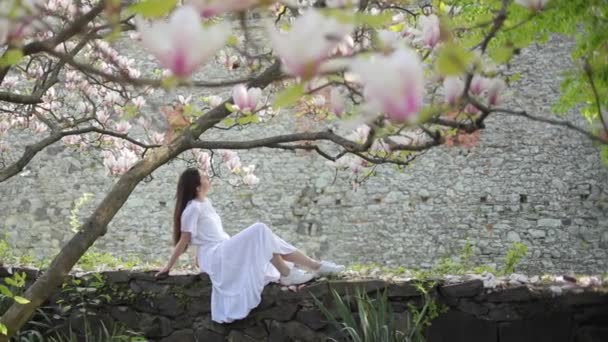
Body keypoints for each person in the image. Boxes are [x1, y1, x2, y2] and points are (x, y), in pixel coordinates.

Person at [155, 167, 345, 323]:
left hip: (224, 248)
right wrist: (167, 267)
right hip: (215, 256)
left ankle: (314, 266)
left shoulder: (206, 203)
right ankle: (291, 272)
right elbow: (184, 240)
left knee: (266, 237)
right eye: (204, 176)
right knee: (259, 230)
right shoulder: (192, 209)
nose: (208, 177)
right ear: (197, 186)